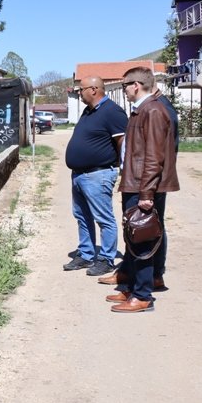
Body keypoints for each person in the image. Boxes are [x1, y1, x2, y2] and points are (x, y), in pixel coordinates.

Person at [105, 67, 179, 313]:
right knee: (134, 237)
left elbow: (153, 158)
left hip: (142, 187)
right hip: (135, 184)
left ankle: (143, 295)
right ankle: (134, 286)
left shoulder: (154, 111)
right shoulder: (143, 110)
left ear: (136, 85)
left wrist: (146, 194)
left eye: (125, 85)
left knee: (143, 240)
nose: (123, 90)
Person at [62, 76, 128, 277]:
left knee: (103, 218)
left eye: (80, 90)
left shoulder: (113, 112)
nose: (78, 93)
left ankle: (106, 259)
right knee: (82, 216)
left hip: (98, 174)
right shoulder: (88, 111)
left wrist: (122, 169)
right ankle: (86, 254)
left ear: (93, 89)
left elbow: (123, 144)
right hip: (80, 175)